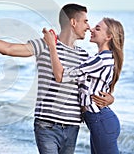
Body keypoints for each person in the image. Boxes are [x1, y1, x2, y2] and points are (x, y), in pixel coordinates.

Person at [0, 4, 114, 154]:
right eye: (85, 21)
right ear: (73, 22)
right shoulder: (44, 45)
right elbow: (9, 49)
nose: (89, 27)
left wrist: (109, 99)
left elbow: (94, 86)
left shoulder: (84, 56)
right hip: (46, 126)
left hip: (72, 126)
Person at [43, 17, 124, 154]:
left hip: (101, 121)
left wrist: (52, 46)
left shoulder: (101, 60)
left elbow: (62, 76)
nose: (91, 29)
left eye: (98, 29)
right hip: (99, 121)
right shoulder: (98, 59)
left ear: (108, 37)